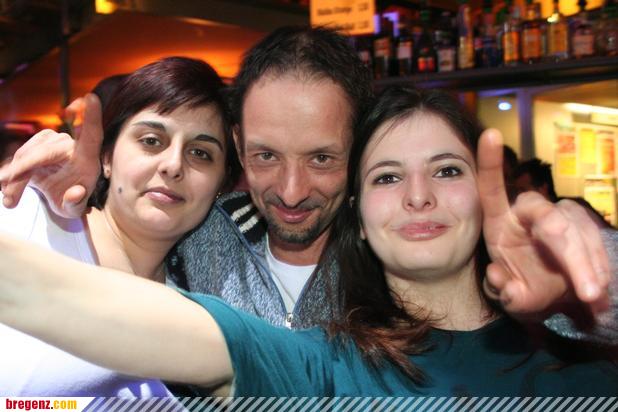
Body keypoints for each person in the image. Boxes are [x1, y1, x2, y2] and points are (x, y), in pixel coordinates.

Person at [0, 87, 616, 396]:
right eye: (387, 177)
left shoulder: (580, 353)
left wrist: (600, 286)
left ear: (486, 193)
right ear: (356, 211)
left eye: (447, 170)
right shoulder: (322, 366)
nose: (418, 196)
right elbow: (51, 294)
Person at [0, 26, 615, 334]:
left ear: (359, 150)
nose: (291, 192)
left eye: (322, 159)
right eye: (266, 156)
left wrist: (591, 275)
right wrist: (86, 200)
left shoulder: (412, 247)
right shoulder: (197, 233)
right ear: (237, 145)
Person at [0, 56, 237, 396]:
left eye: (200, 153)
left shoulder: (205, 309)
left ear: (221, 185)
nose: (173, 165)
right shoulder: (26, 218)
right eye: (151, 141)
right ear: (107, 157)